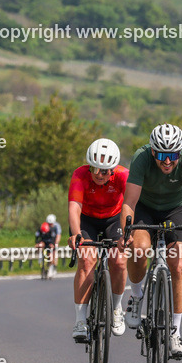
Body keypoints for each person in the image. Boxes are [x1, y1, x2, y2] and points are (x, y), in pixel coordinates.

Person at [120, 123, 182, 359]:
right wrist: (125, 232)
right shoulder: (140, 158)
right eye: (161, 155)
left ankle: (175, 333)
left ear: (179, 152)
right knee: (139, 250)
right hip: (144, 208)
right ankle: (137, 297)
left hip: (175, 209)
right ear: (152, 152)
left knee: (178, 264)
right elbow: (129, 201)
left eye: (172, 156)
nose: (167, 161)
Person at [68, 138, 129, 342]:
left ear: (113, 169)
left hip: (114, 219)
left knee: (119, 261)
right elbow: (74, 207)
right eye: (95, 169)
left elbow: (132, 204)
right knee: (86, 260)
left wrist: (129, 233)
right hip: (87, 220)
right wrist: (77, 234)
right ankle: (79, 320)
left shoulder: (123, 175)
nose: (99, 175)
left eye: (105, 171)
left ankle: (117, 307)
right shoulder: (80, 174)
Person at [34, 214, 62, 278]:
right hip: (45, 241)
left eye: (51, 224)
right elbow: (38, 236)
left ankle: (52, 268)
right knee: (40, 245)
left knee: (52, 255)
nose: (50, 225)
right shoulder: (43, 226)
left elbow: (57, 236)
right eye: (49, 223)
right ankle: (40, 256)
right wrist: (37, 243)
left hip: (52, 242)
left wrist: (55, 244)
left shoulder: (56, 227)